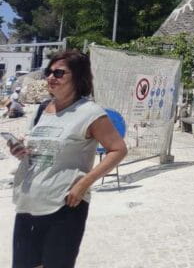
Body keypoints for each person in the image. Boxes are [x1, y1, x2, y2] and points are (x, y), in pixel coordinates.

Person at [5, 50, 127, 268]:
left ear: (78, 78)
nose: (51, 77)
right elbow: (39, 149)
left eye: (59, 73)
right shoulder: (43, 108)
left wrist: (83, 184)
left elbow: (118, 150)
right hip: (28, 203)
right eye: (49, 72)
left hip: (64, 206)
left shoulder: (90, 113)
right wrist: (20, 151)